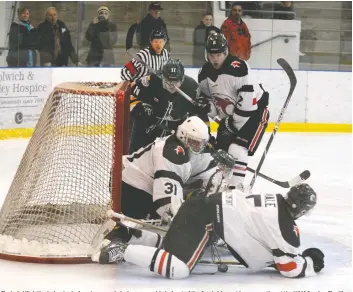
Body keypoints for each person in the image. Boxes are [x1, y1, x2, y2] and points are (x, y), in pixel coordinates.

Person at [99, 183, 325, 280]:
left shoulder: (274, 199)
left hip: (202, 210)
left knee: (175, 245)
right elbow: (289, 268)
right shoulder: (285, 228)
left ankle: (131, 234)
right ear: (301, 209)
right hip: (204, 220)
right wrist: (309, 263)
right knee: (178, 268)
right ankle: (121, 250)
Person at [93, 116, 219, 264]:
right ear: (182, 136)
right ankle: (119, 238)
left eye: (201, 144)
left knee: (167, 228)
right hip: (128, 187)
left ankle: (127, 235)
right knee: (170, 232)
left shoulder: (187, 151)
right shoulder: (172, 153)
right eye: (194, 143)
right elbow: (165, 203)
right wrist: (185, 225)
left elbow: (208, 173)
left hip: (135, 184)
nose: (197, 147)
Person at [196, 32, 270, 190]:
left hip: (254, 113)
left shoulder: (238, 68)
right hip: (230, 118)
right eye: (212, 55)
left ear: (225, 52)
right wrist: (206, 107)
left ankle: (235, 191)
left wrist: (230, 125)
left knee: (236, 149)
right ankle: (220, 188)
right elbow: (214, 106)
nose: (215, 59)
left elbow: (248, 105)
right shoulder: (204, 74)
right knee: (220, 154)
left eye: (219, 54)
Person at [129, 58, 209, 153]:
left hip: (177, 128)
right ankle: (133, 154)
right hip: (152, 123)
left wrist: (208, 134)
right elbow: (132, 94)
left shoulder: (192, 87)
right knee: (141, 116)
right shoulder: (150, 81)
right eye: (168, 81)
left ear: (182, 78)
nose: (172, 85)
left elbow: (202, 115)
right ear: (162, 77)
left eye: (176, 82)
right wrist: (138, 106)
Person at [120, 28, 170, 153]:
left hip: (154, 92)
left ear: (165, 42)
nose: (158, 44)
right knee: (143, 113)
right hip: (139, 92)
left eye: (160, 41)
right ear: (151, 42)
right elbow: (125, 71)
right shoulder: (143, 55)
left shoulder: (166, 55)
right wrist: (131, 82)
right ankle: (134, 147)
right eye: (155, 41)